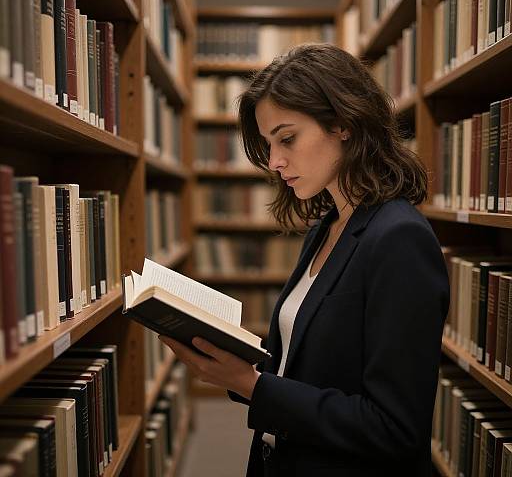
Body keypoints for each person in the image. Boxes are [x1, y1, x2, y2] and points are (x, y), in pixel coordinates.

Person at [160, 43, 449, 477]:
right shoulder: (326, 227)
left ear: (344, 125)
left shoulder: (399, 238)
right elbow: (309, 363)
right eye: (268, 144)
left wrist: (252, 386)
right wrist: (236, 364)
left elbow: (396, 429)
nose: (275, 162)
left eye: (287, 138)